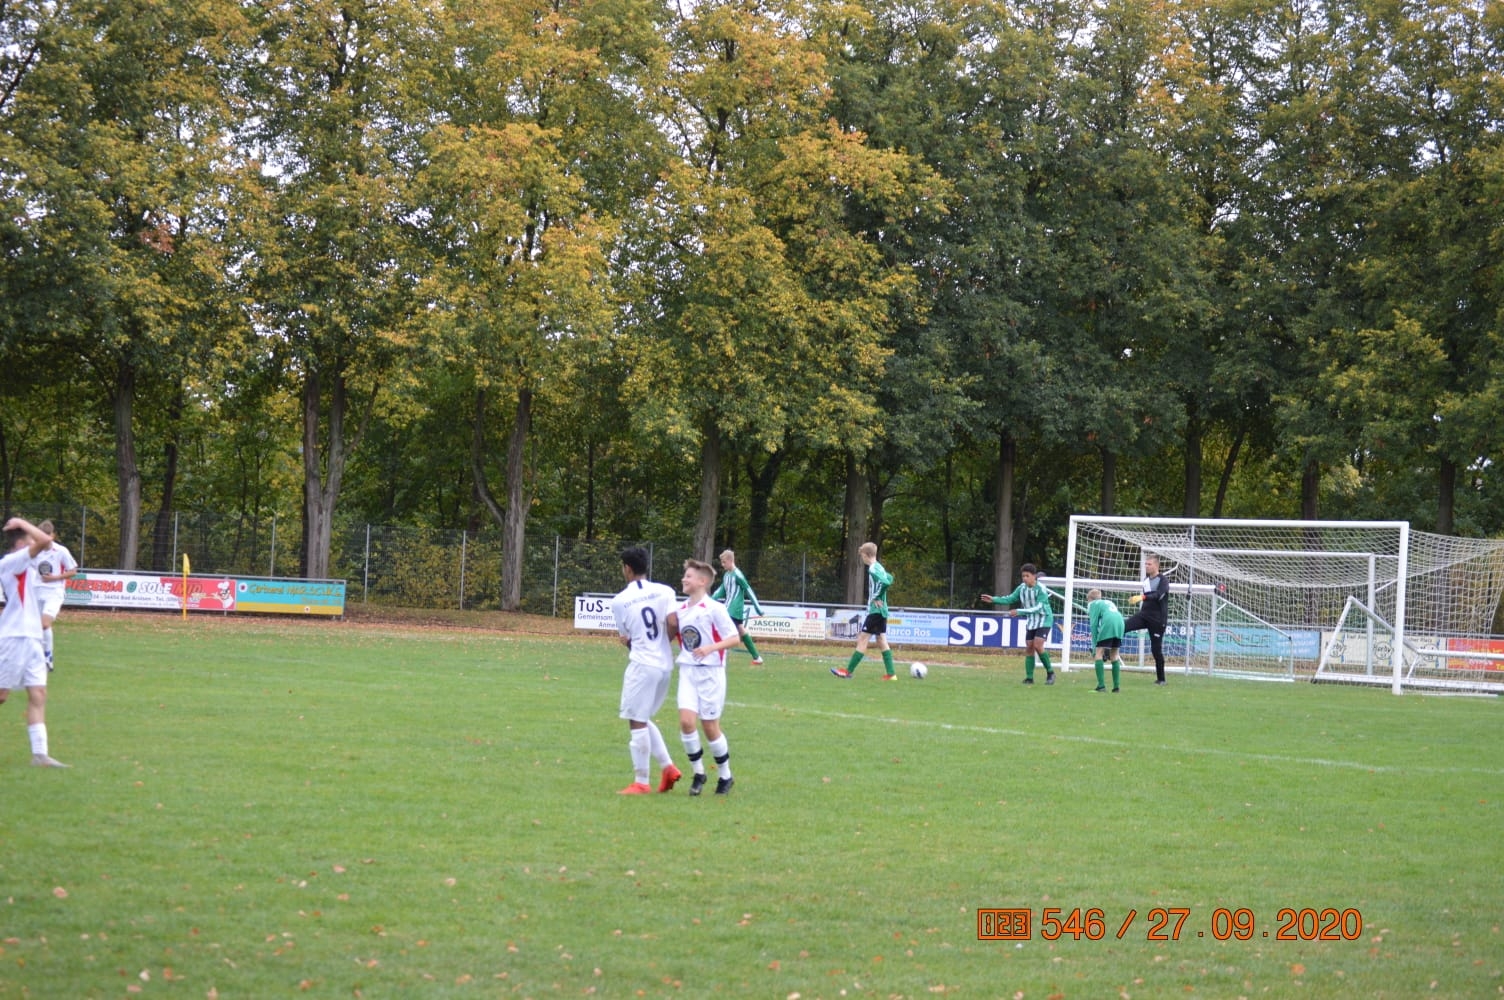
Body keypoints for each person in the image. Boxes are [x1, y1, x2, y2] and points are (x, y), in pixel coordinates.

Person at [611, 546, 683, 795]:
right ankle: (668, 768)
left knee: (636, 720)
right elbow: (673, 622)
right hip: (665, 665)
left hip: (643, 664)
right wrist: (663, 643)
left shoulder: (620, 601)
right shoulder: (666, 590)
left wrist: (632, 644)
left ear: (627, 569)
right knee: (643, 717)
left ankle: (641, 781)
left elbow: (627, 638)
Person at [0, 517, 67, 766]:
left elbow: (46, 543)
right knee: (2, 695)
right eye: (30, 539)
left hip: (33, 638)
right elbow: (46, 540)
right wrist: (22, 522)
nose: (34, 544)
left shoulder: (25, 562)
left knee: (38, 693)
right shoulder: (12, 561)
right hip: (14, 637)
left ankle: (40, 755)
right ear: (21, 543)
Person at [675, 559, 744, 795]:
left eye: (689, 576)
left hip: (711, 673)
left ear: (702, 581)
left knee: (710, 727)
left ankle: (725, 775)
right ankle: (698, 773)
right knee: (686, 722)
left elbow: (734, 638)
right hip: (687, 670)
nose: (684, 579)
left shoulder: (714, 608)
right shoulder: (680, 610)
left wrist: (710, 648)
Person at [982, 562, 1059, 685]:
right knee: (1029, 647)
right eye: (1023, 576)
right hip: (1032, 620)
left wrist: (1020, 611)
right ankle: (1029, 678)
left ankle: (1050, 673)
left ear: (1034, 576)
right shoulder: (1021, 588)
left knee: (1038, 645)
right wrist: (994, 599)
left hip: (1044, 619)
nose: (1025, 578)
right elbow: (1010, 598)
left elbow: (1039, 608)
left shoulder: (1041, 589)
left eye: (1027, 576)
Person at [831, 542, 897, 680]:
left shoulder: (873, 568)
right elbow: (890, 578)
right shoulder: (879, 566)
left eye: (862, 555)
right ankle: (891, 674)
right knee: (881, 639)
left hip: (875, 610)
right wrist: (880, 596)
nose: (862, 558)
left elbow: (886, 582)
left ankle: (848, 672)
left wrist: (876, 597)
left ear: (866, 555)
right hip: (882, 610)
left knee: (863, 638)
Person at [31, 520, 78, 671]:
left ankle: (48, 657)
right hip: (36, 591)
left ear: (53, 535)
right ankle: (38, 657)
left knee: (45, 623)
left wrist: (55, 578)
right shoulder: (33, 551)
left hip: (54, 592)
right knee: (36, 627)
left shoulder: (60, 551)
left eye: (47, 535)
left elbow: (73, 571)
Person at [1123, 553, 1171, 685]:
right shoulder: (1146, 580)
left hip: (1157, 620)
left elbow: (1158, 595)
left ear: (1156, 565)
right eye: (1146, 564)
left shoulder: (1163, 580)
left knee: (1156, 650)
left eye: (1149, 564)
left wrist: (1142, 597)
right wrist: (1138, 598)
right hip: (1144, 615)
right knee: (1122, 627)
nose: (1146, 566)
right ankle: (1106, 652)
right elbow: (1148, 597)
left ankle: (1161, 679)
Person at [713, 549, 765, 665]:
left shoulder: (738, 575)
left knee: (718, 628)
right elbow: (721, 590)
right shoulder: (727, 575)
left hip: (733, 610)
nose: (722, 565)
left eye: (724, 562)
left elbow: (748, 590)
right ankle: (757, 658)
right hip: (729, 609)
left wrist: (758, 608)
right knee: (741, 630)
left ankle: (713, 654)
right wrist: (710, 600)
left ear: (730, 560)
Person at [1085, 588, 1126, 692]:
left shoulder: (1093, 604)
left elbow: (1094, 625)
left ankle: (1101, 686)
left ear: (1090, 599)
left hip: (1109, 622)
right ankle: (1116, 687)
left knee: (1099, 653)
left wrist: (1094, 646)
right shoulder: (1107, 602)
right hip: (1120, 622)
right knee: (1114, 654)